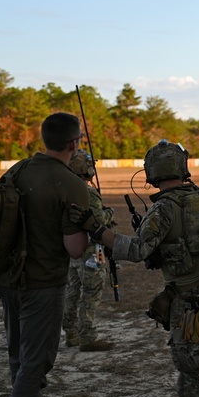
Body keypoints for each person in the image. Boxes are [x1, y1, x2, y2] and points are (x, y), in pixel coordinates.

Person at [69, 139, 199, 397]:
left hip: (190, 303)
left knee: (192, 369)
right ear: (182, 168)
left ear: (153, 172)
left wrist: (97, 230)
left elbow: (136, 249)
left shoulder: (164, 208)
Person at [0, 112, 90, 397]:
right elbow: (75, 249)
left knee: (20, 359)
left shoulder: (18, 170)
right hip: (43, 283)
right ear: (73, 144)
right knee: (35, 363)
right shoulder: (71, 184)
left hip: (9, 280)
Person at [63, 149, 115, 352]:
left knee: (72, 291)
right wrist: (109, 213)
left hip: (72, 248)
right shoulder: (87, 191)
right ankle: (88, 336)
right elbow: (99, 220)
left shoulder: (66, 189)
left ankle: (71, 333)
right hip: (93, 249)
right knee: (91, 290)